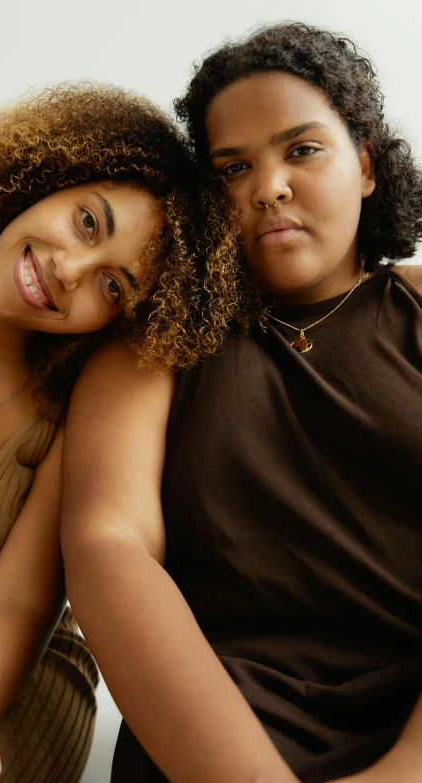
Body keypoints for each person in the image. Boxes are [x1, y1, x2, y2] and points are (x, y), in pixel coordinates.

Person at [60, 23, 422, 783]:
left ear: (364, 163)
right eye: (233, 168)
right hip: (212, 735)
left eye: (302, 150)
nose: (269, 187)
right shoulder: (155, 347)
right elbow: (107, 548)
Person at [0, 82, 232, 783]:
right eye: (87, 222)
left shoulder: (77, 407)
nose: (69, 271)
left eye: (114, 288)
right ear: (45, 178)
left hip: (2, 680)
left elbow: (18, 609)